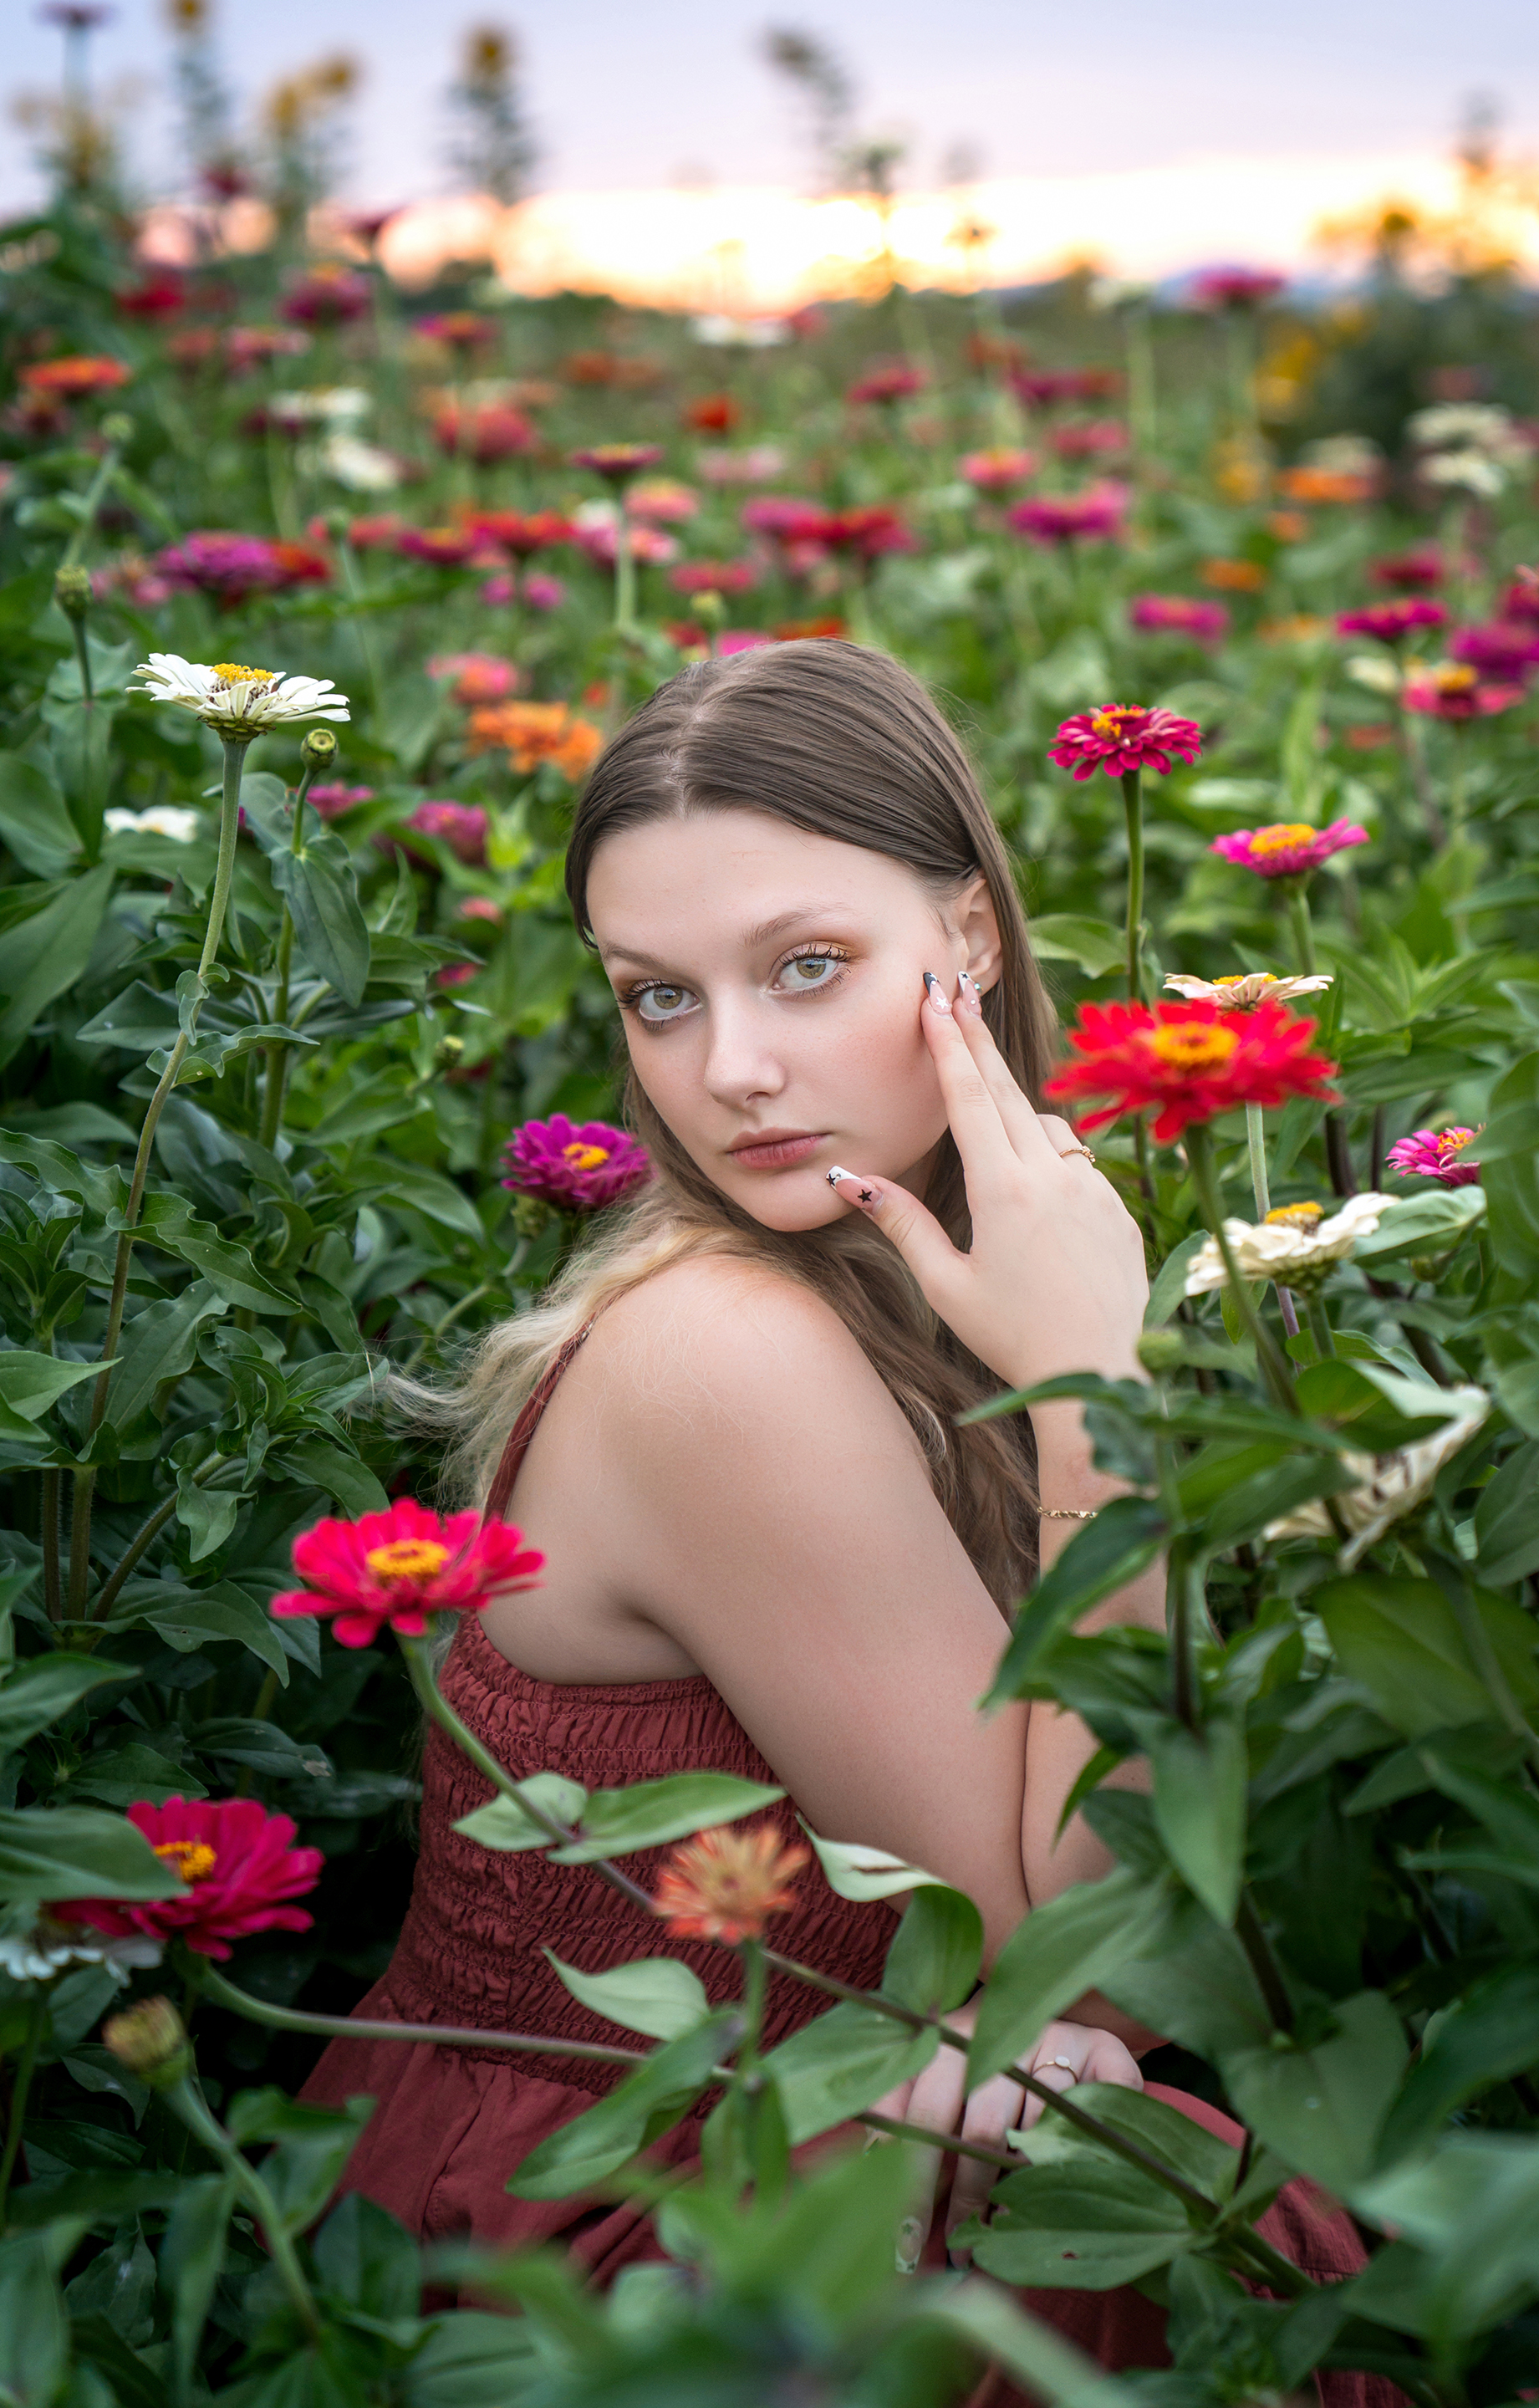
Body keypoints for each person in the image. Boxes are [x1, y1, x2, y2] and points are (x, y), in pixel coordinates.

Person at [303, 642, 1385, 2398]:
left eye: (808, 969)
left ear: (967, 938)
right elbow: (1082, 1973)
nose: (732, 1068)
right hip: (623, 2243)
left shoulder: (911, 1282)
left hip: (786, 2164)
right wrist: (1096, 1383)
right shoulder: (726, 1353)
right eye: (660, 997)